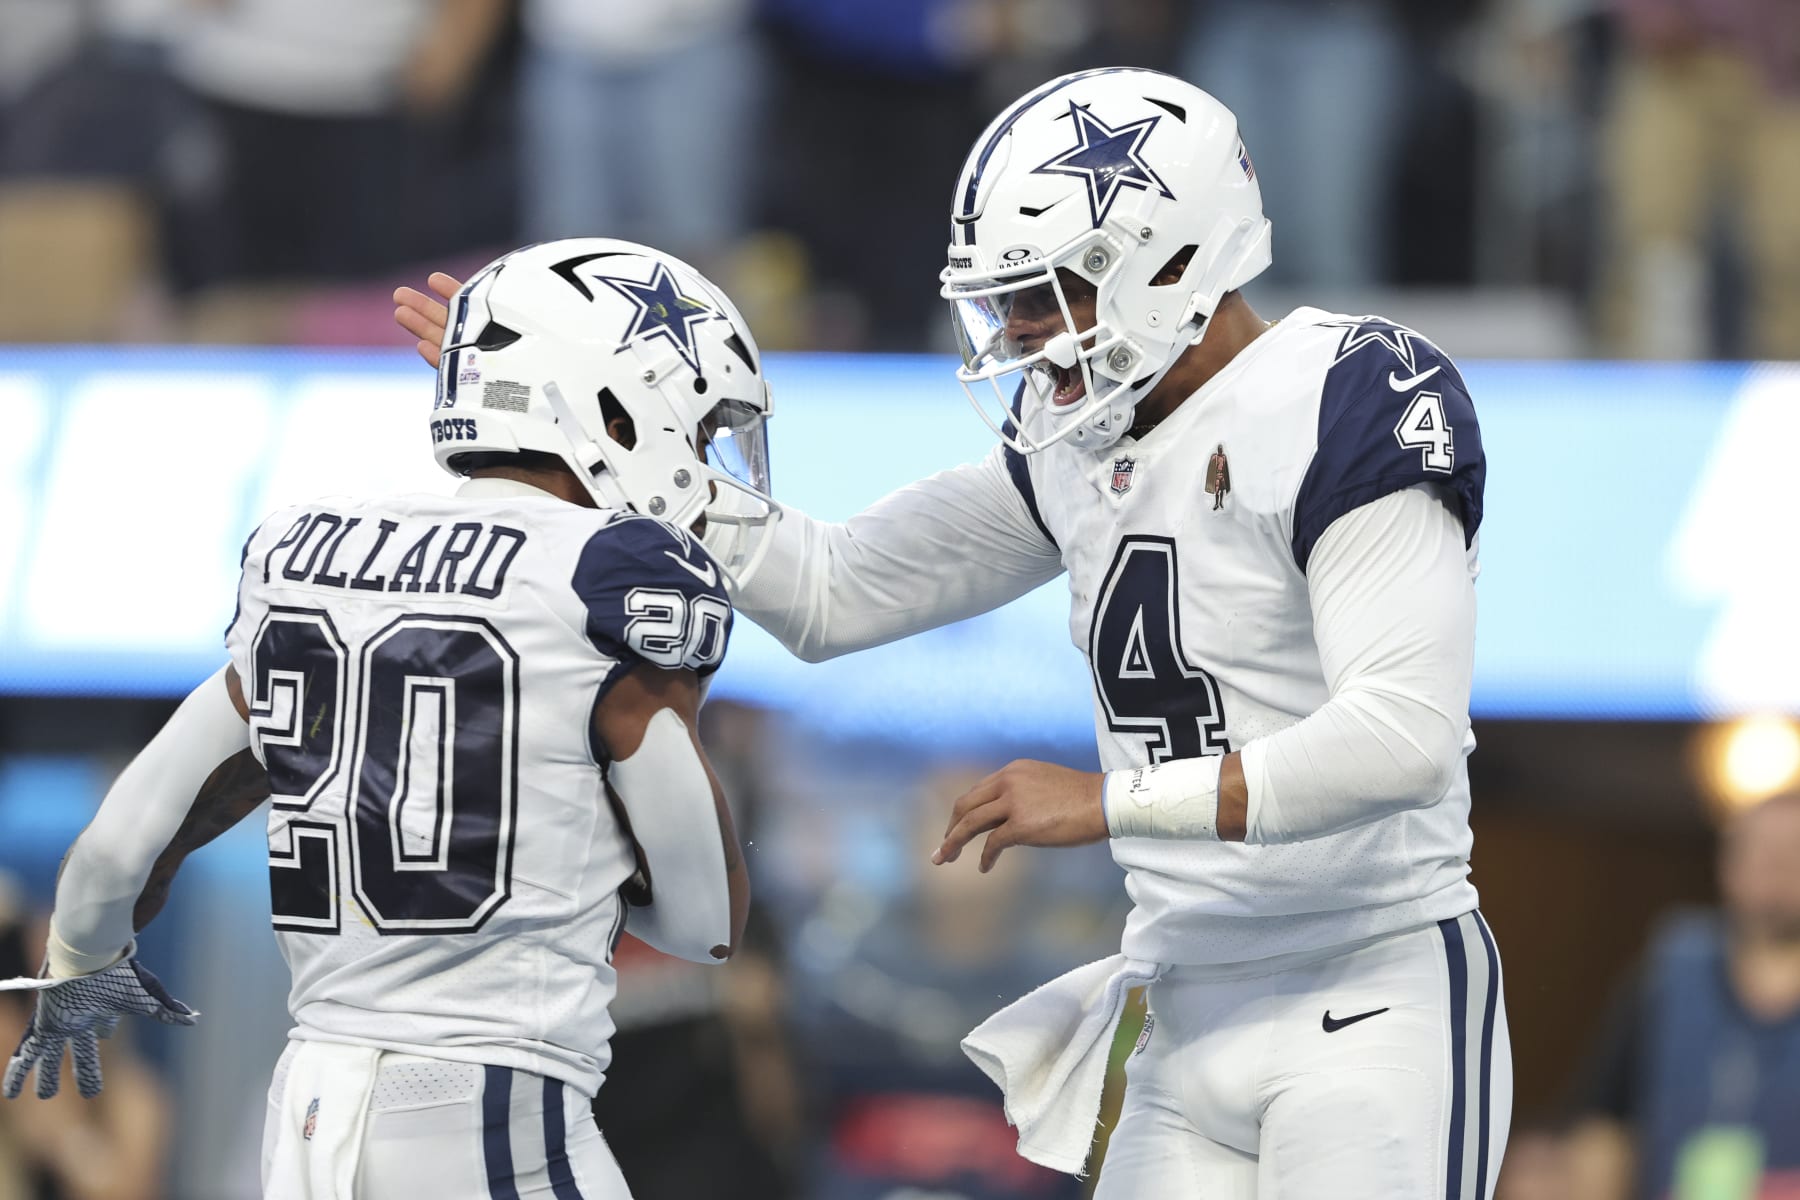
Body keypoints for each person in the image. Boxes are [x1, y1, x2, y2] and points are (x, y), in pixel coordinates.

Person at [395, 67, 1507, 1197]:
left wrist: (1108, 801)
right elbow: (836, 591)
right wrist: (573, 422)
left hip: (1368, 988)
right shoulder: (1076, 443)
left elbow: (1401, 739)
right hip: (1184, 995)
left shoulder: (1351, 390)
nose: (1022, 332)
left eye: (1050, 292)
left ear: (1175, 258)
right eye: (1007, 299)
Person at [4, 237, 776, 1200]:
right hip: (492, 1106)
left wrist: (78, 965)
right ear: (616, 410)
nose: (700, 463)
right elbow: (704, 925)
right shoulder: (609, 580)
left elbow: (123, 843)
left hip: (306, 1112)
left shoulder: (304, 544)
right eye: (694, 430)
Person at [1563, 789, 1800, 1200]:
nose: (1777, 868)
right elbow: (1604, 1129)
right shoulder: (1667, 976)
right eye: (1761, 850)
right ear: (1727, 863)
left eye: (1793, 852)